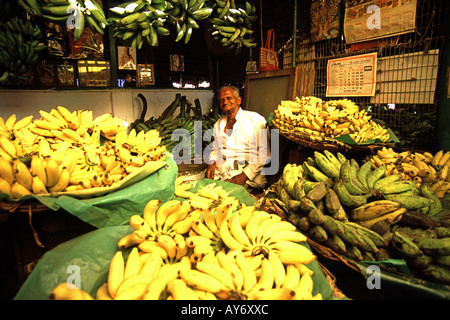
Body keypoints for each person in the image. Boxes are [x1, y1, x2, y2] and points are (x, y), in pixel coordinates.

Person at [205, 85, 270, 190]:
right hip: (222, 173)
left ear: (238, 100)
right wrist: (211, 164)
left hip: (247, 174)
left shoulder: (255, 119)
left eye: (229, 98)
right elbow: (215, 149)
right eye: (222, 100)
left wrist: (244, 175)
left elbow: (264, 153)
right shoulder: (218, 124)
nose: (225, 102)